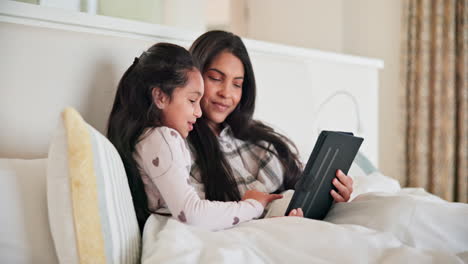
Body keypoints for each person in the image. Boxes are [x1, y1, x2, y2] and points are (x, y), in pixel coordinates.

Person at [107, 43, 284, 231]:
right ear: (160, 97)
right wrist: (252, 207)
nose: (198, 112)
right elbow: (191, 213)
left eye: (237, 84)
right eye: (192, 100)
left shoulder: (149, 140)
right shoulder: (163, 138)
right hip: (182, 234)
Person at [187, 30, 354, 214]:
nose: (226, 93)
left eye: (237, 84)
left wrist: (332, 193)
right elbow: (197, 211)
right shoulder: (180, 145)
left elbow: (297, 180)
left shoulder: (256, 138)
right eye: (216, 79)